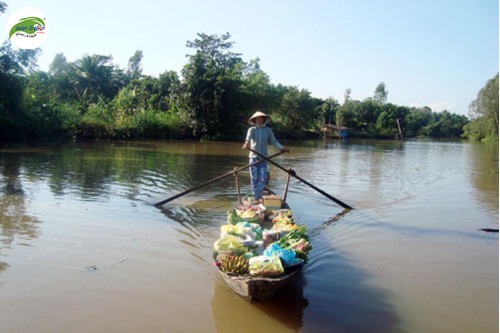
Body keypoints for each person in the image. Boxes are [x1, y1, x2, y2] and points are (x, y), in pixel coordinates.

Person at [242, 111, 289, 202]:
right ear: (254, 120)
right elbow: (247, 139)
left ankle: (259, 196)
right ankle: (256, 197)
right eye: (257, 119)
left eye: (261, 118)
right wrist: (246, 144)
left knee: (263, 178)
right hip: (254, 157)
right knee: (254, 178)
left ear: (264, 120)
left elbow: (274, 142)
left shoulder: (268, 130)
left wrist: (282, 148)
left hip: (264, 158)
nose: (259, 120)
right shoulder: (252, 130)